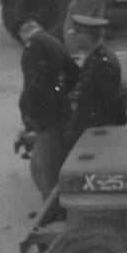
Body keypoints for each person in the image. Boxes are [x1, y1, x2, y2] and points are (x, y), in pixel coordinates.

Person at [15, 16, 80, 199]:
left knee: (47, 162)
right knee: (56, 154)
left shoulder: (33, 47)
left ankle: (51, 205)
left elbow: (33, 85)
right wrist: (61, 93)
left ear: (24, 33)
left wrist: (26, 109)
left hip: (44, 114)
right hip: (59, 107)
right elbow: (74, 73)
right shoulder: (54, 41)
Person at [67, 16, 127, 145]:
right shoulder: (95, 56)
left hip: (97, 130)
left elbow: (112, 100)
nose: (72, 38)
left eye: (76, 34)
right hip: (90, 127)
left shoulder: (103, 63)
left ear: (87, 37)